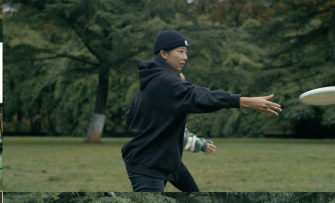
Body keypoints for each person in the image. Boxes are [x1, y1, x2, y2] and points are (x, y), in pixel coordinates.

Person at [121, 30, 282, 192]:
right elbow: (201, 96)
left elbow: (130, 118)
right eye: (180, 52)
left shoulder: (151, 81)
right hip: (149, 165)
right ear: (164, 54)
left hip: (158, 161)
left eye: (186, 52)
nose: (185, 57)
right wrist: (244, 101)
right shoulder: (166, 81)